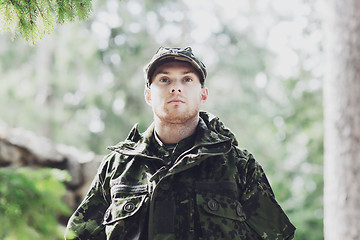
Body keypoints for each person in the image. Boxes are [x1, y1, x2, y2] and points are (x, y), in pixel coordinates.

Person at [65, 46, 296, 240]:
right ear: (148, 95)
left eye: (187, 79)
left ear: (203, 94)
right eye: (164, 80)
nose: (175, 87)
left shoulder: (237, 165)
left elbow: (277, 235)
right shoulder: (117, 168)